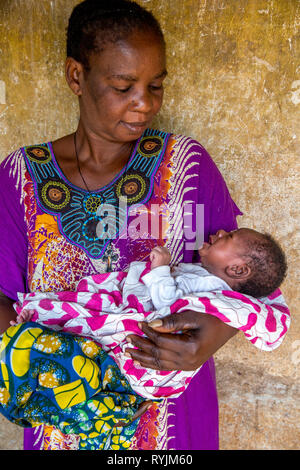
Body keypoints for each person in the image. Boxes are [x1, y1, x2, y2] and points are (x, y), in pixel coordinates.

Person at [0, 0, 290, 451]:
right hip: (62, 417)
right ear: (76, 76)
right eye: (123, 86)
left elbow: (251, 279)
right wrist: (60, 370)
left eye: (156, 86)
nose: (144, 103)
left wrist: (207, 338)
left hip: (173, 427)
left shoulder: (185, 169)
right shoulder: (20, 178)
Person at [8, 227, 287, 403]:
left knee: (81, 336)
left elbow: (168, 311)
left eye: (229, 237)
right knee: (75, 350)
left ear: (237, 271)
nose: (221, 231)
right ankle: (34, 337)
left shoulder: (210, 288)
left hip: (142, 346)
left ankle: (34, 332)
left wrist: (160, 270)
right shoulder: (208, 279)